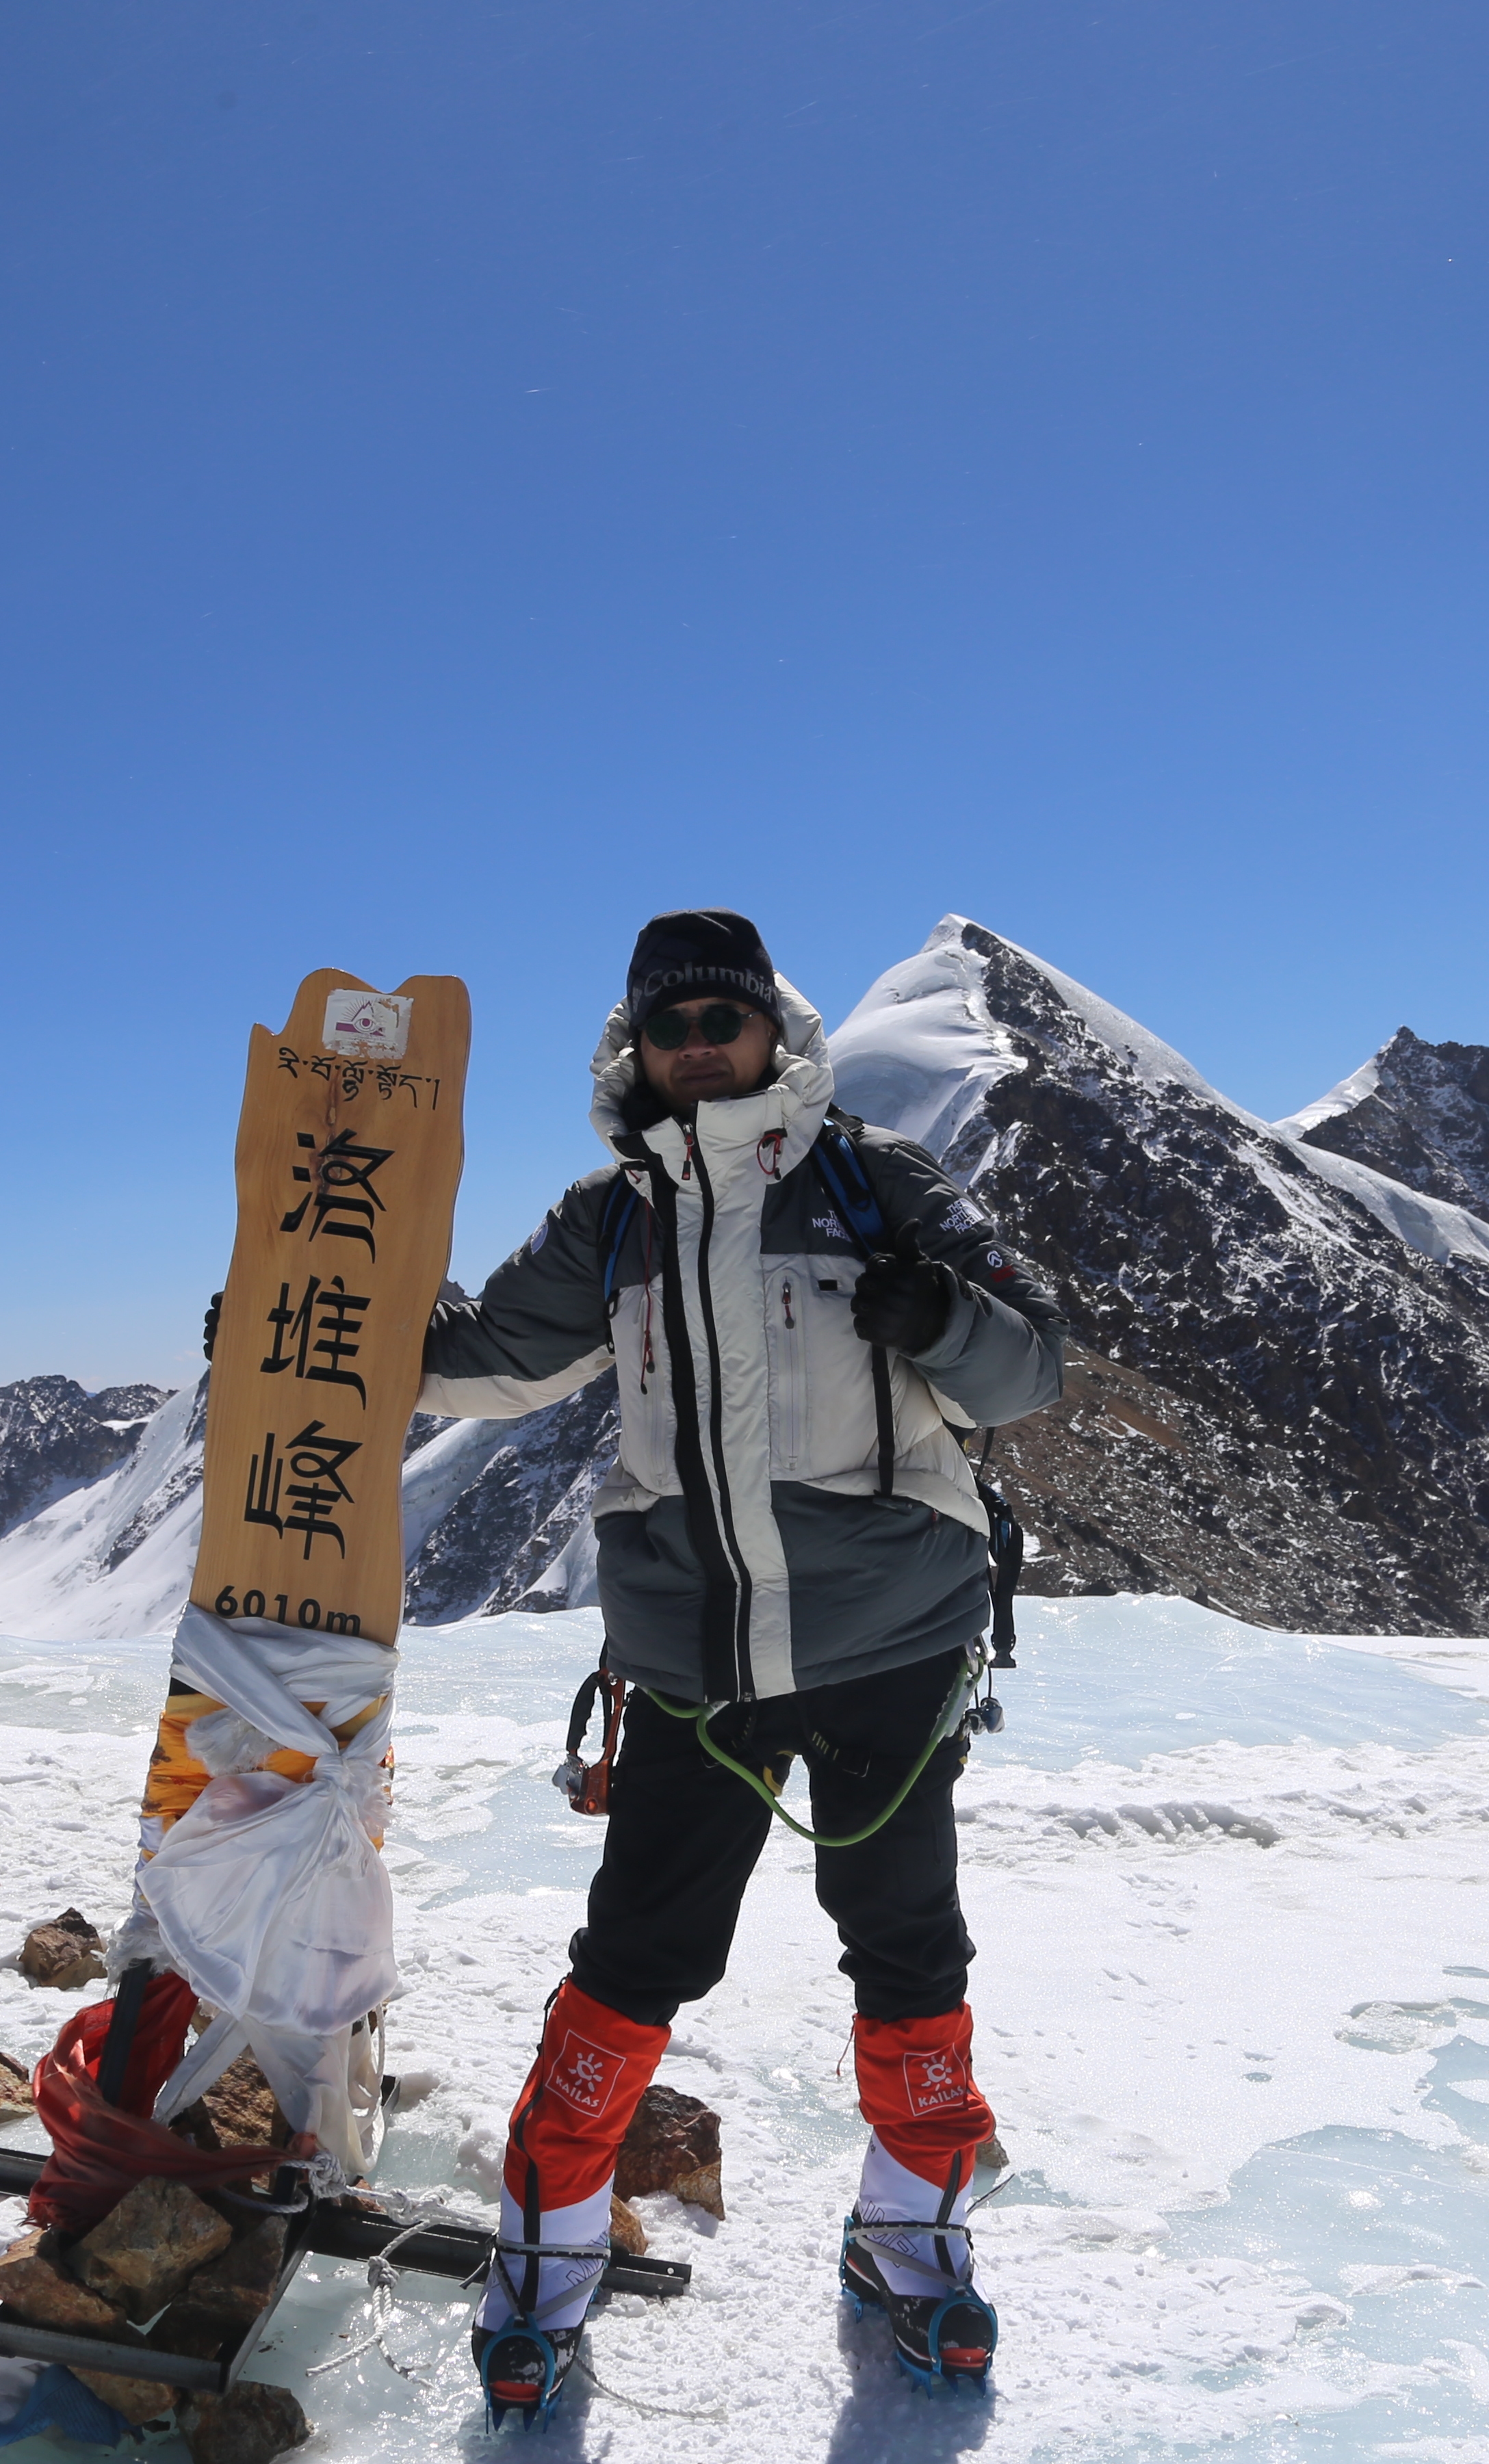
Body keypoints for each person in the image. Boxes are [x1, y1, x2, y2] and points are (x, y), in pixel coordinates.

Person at [413, 908, 1067, 2421]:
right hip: (696, 1664)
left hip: (888, 1647)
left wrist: (946, 1317)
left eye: (724, 1021)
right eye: (672, 1028)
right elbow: (494, 1357)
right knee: (639, 1956)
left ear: (775, 1030)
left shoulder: (874, 1184)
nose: (699, 1049)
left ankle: (910, 2231)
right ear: (635, 1048)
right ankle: (551, 2249)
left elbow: (1031, 1363)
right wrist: (309, 1333)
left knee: (909, 1947)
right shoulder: (614, 1218)